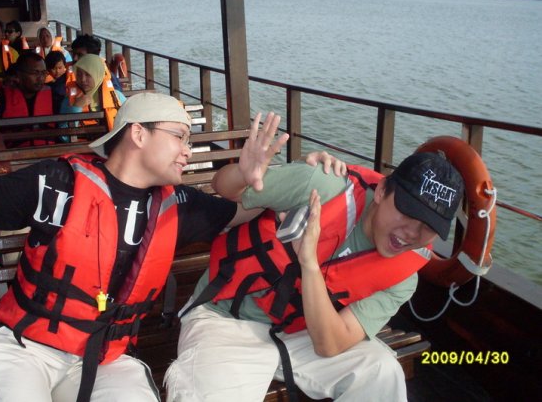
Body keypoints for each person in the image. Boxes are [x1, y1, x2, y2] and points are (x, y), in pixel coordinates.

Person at [0, 95, 296, 402]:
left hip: (106, 357)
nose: (188, 150)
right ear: (138, 134)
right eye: (179, 136)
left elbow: (242, 212)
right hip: (25, 346)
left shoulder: (179, 206)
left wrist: (254, 178)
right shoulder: (56, 182)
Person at [164, 112, 465, 402]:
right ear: (382, 190)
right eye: (407, 212)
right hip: (226, 319)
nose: (411, 233)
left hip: (301, 334)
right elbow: (228, 190)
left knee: (382, 372)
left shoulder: (404, 275)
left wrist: (308, 264)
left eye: (428, 227)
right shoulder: (322, 185)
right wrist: (243, 174)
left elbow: (330, 344)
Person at [71, 53, 126, 130]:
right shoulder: (69, 100)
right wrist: (76, 107)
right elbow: (64, 134)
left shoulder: (117, 97)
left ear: (98, 74)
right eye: (79, 74)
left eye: (88, 75)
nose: (83, 79)